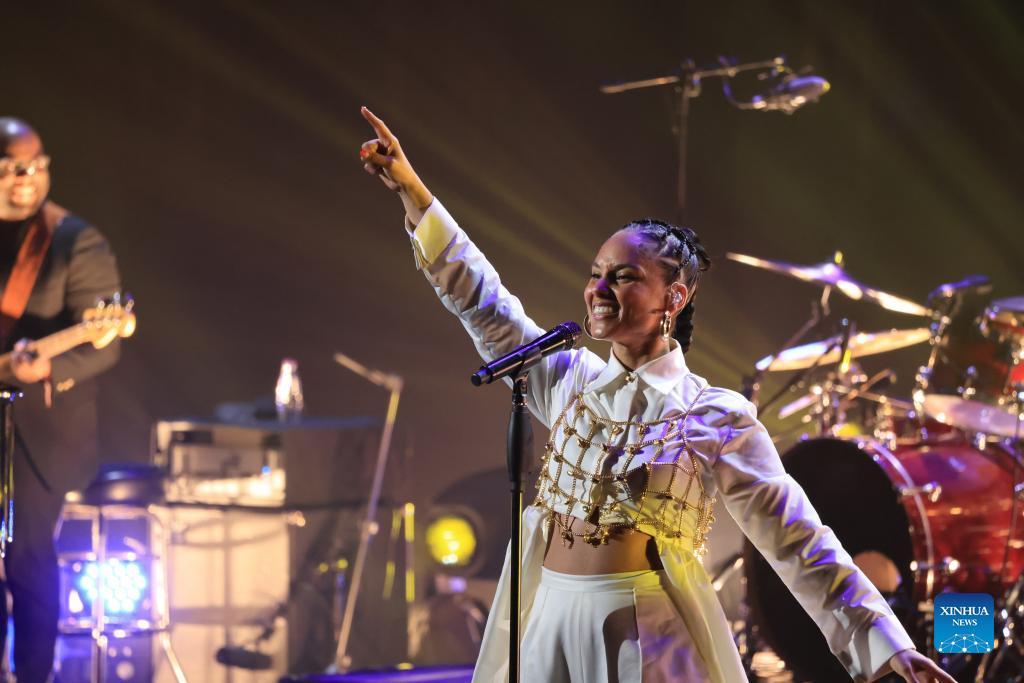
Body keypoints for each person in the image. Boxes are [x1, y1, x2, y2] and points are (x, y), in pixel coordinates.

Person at [356, 106, 954, 683]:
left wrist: (888, 645)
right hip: (546, 621)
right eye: (596, 273)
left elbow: (799, 541)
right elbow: (485, 304)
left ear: (674, 297)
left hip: (639, 632)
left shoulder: (715, 415)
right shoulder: (567, 379)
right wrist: (414, 193)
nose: (599, 289)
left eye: (623, 276)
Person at [0, 117, 121, 682]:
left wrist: (48, 364)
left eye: (36, 165)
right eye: (11, 168)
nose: (26, 178)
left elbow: (104, 347)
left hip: (36, 433)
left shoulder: (75, 240)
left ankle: (32, 675)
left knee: (25, 557)